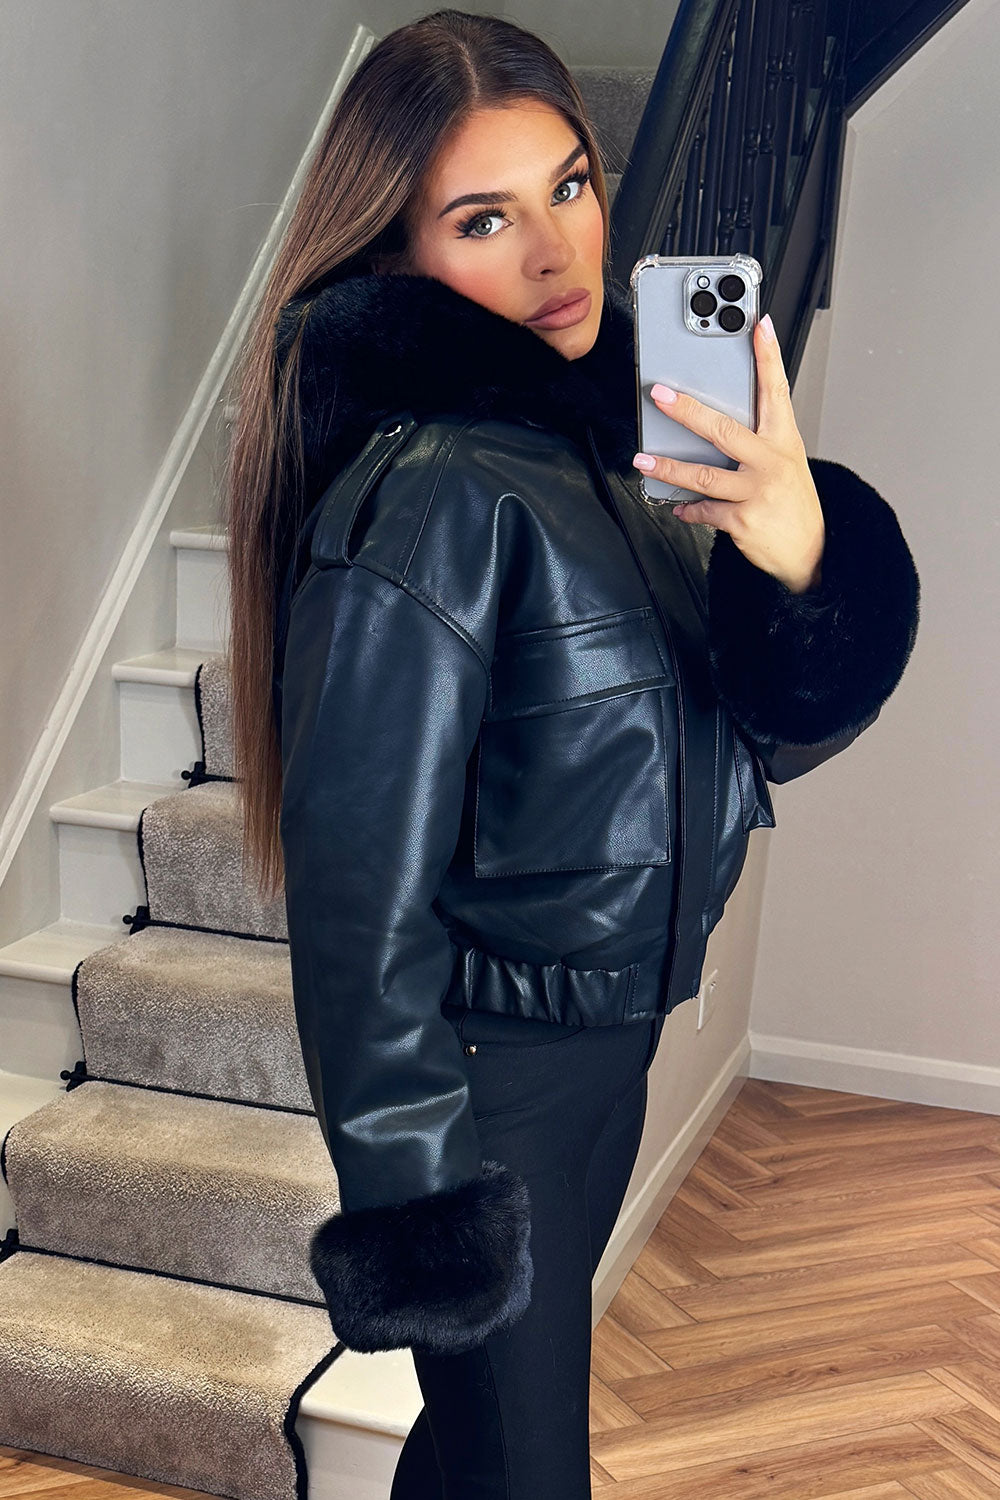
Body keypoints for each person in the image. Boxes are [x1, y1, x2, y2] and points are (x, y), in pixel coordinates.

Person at [223, 10, 920, 1497]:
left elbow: (742, 748)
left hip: (606, 1047)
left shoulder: (603, 469)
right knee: (526, 1472)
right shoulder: (436, 498)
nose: (557, 253)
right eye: (484, 219)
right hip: (493, 1090)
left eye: (571, 186)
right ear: (399, 253)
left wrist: (796, 560)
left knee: (477, 1457)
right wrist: (424, 1207)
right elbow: (357, 912)